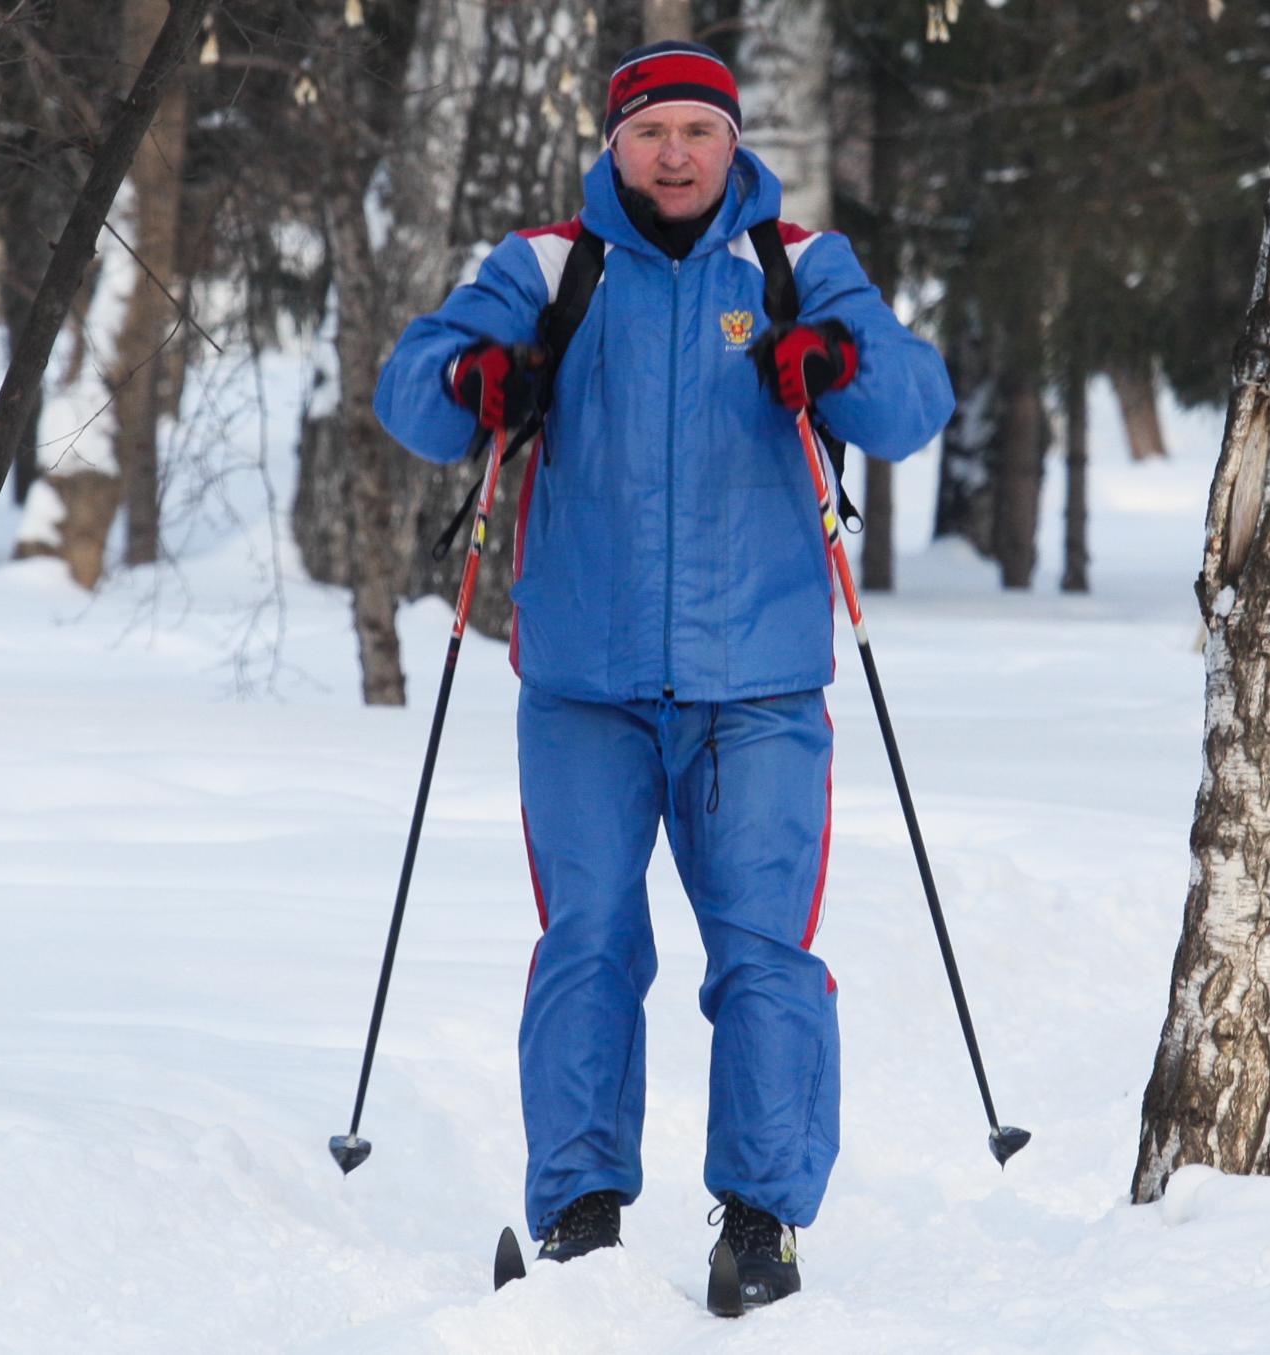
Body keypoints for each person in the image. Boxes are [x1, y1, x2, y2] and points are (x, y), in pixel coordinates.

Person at [372, 39, 951, 1312]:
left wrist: (841, 363)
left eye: (698, 129)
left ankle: (762, 1220)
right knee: (586, 940)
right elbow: (412, 392)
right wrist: (473, 377)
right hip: (585, 680)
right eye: (650, 132)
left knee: (762, 952)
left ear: (732, 142)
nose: (675, 153)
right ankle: (579, 1212)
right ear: (613, 144)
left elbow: (911, 407)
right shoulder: (544, 266)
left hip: (759, 686)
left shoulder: (799, 263)